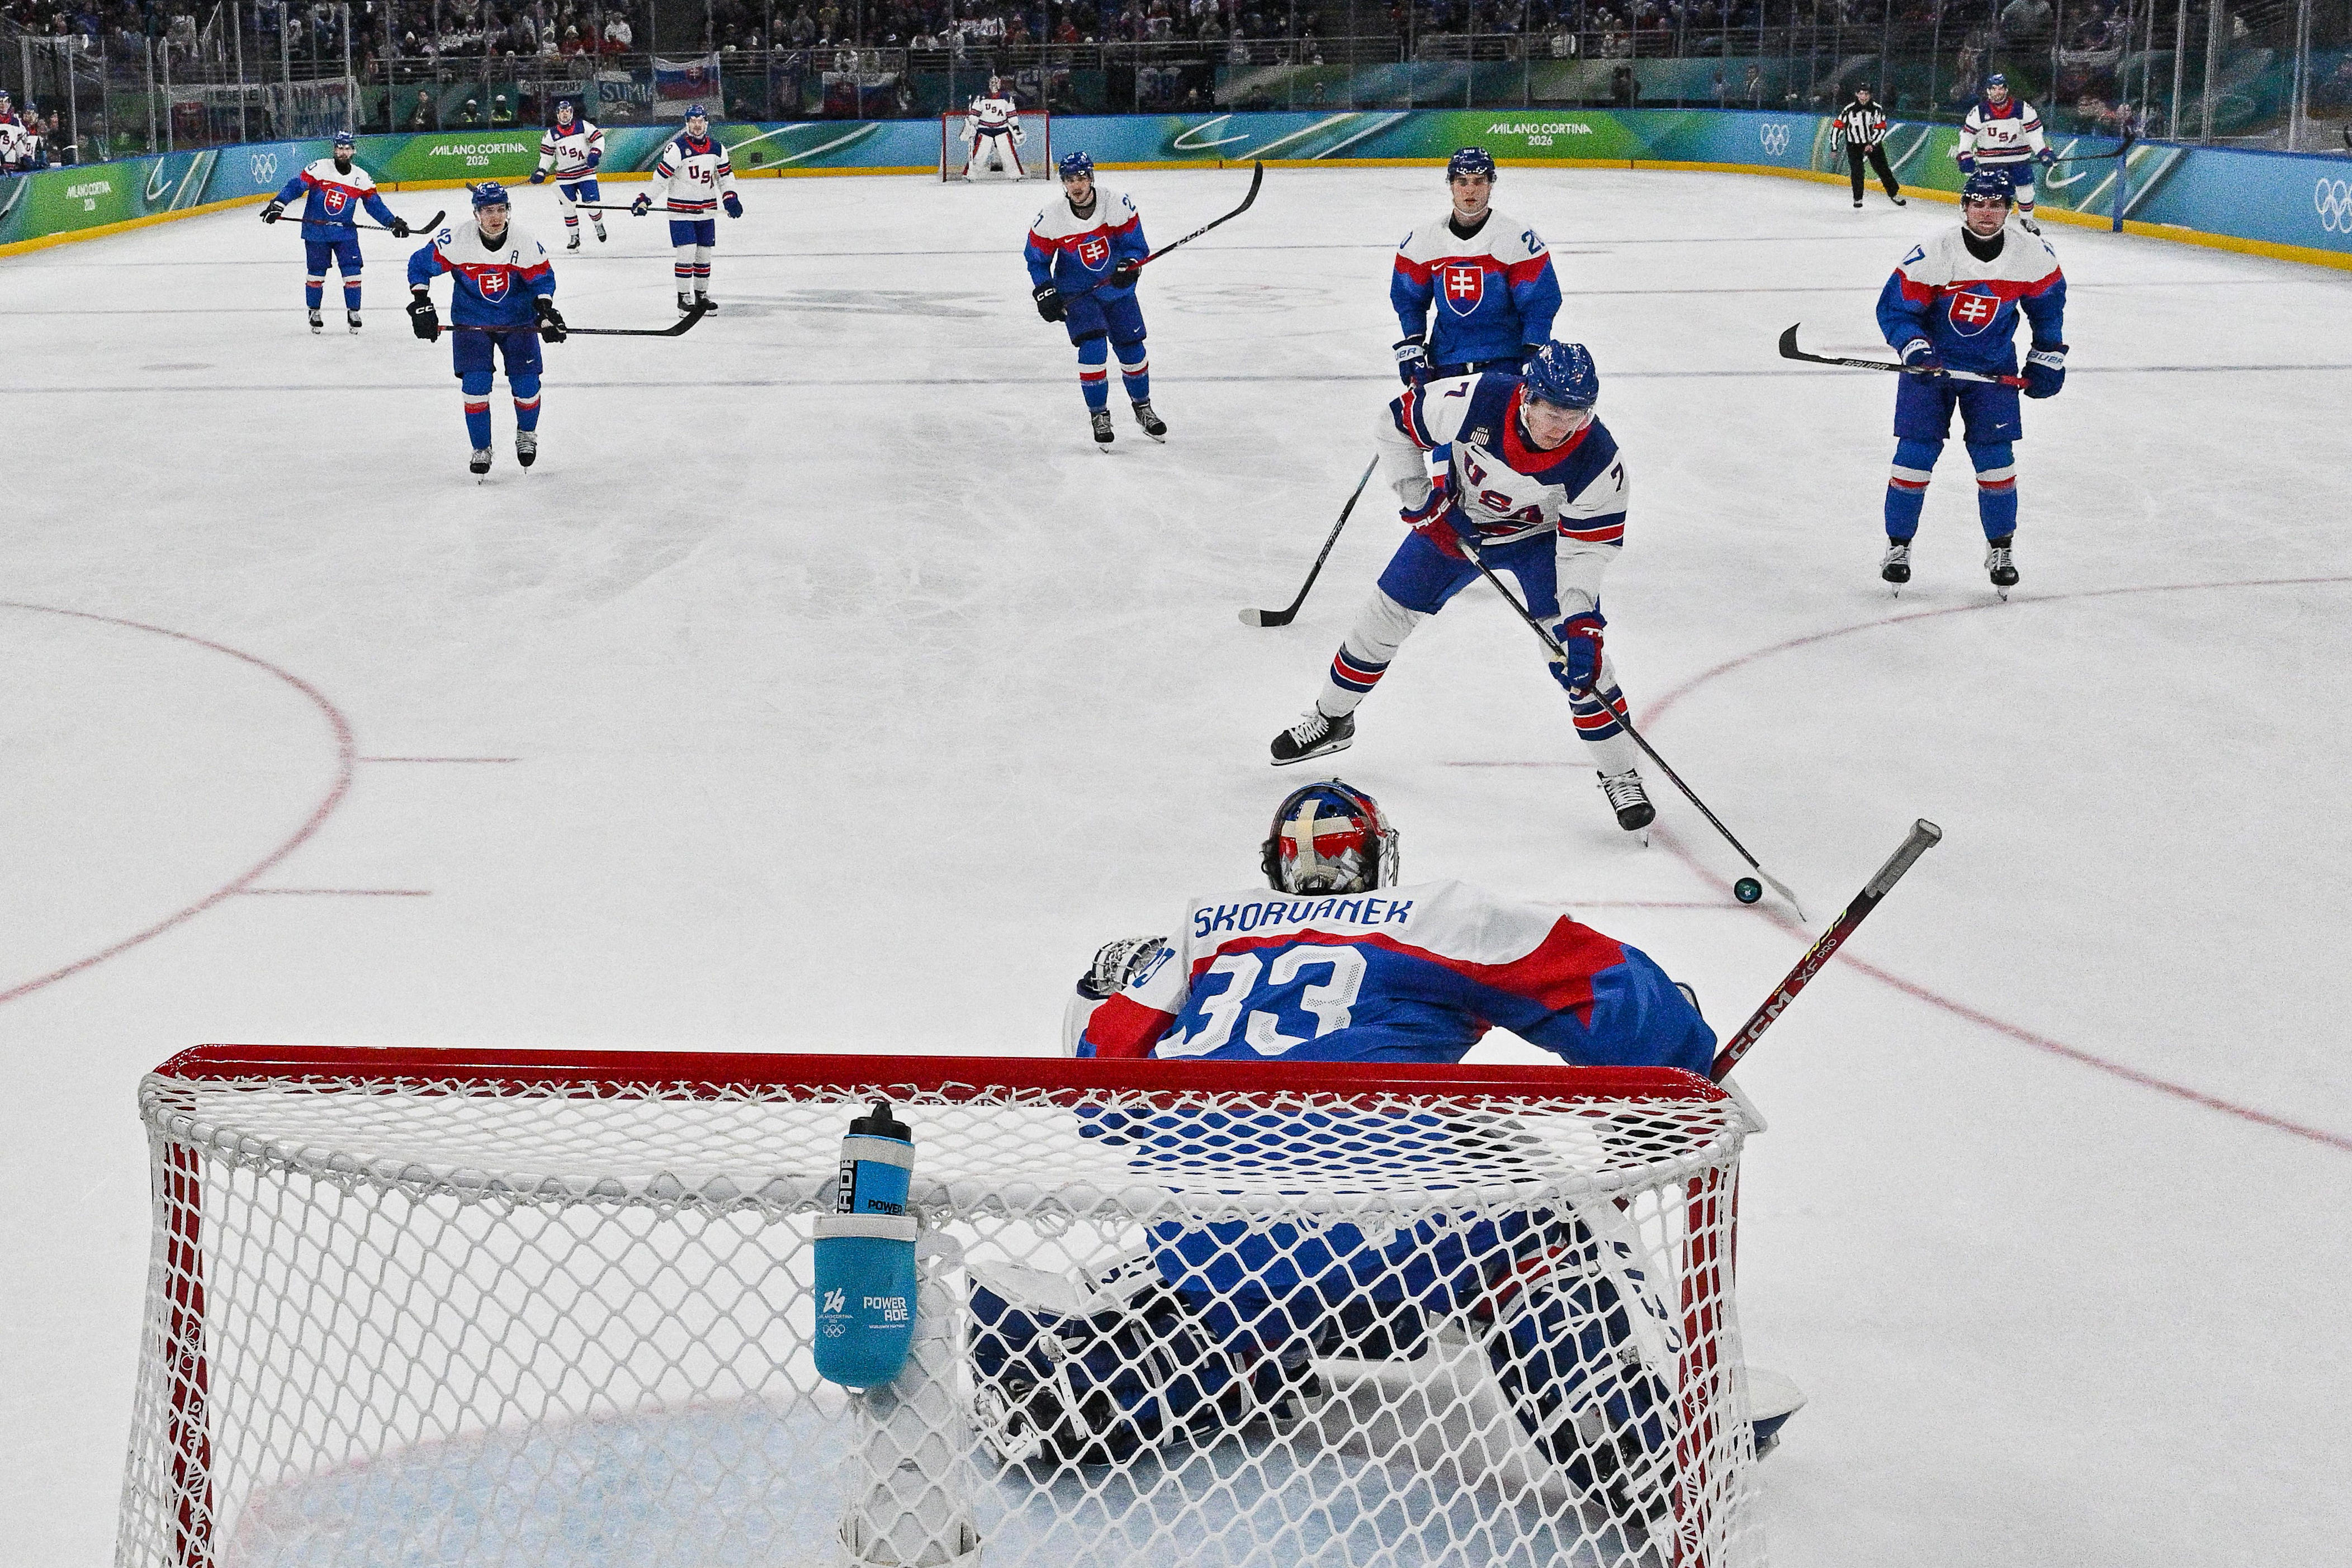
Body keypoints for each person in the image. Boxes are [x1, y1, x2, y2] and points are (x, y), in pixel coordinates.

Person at [983, 780, 1726, 1523]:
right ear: (1375, 856)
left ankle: (1099, 1385)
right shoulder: (1442, 915)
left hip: (1202, 1238)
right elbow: (1612, 997)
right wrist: (1680, 1051)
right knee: (1541, 1222)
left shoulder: (1203, 929)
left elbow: (1099, 1097)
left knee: (1218, 1278)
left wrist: (1099, 987)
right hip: (1385, 1226)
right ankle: (1638, 1439)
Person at [1267, 343, 1656, 835]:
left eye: (1574, 415)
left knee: (1579, 661)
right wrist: (1421, 504)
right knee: (1382, 618)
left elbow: (1584, 551)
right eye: (1552, 412)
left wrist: (1581, 622)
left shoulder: (1598, 460)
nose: (1560, 428)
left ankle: (1621, 774)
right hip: (1457, 524)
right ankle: (1331, 719)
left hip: (1541, 544)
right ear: (1528, 397)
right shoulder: (1476, 398)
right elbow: (1394, 425)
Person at [1876, 169, 2067, 595]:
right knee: (1913, 455)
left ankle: (2001, 549)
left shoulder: (2031, 253)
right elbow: (1896, 310)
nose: (1986, 212)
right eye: (1978, 203)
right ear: (1963, 207)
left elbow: (2047, 309)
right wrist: (1914, 348)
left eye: (1995, 204)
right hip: (1931, 369)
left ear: (2008, 209)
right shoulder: (1935, 251)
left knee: (1995, 459)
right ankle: (1897, 547)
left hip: (1992, 369)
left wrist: (2046, 356)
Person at [405, 181, 565, 478]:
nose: (496, 217)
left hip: (518, 321)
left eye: (501, 209)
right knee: (475, 385)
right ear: (476, 213)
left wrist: (546, 314)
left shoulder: (524, 241)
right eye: (488, 210)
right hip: (471, 322)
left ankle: (526, 434)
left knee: (527, 385)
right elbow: (420, 264)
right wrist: (421, 302)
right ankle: (481, 448)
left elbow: (542, 280)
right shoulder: (457, 240)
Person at [1026, 150, 1165, 448]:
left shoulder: (1116, 204)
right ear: (1063, 183)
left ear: (1091, 178)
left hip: (1116, 290)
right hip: (1078, 294)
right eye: (1069, 179)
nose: (1076, 185)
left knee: (1132, 348)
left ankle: (1143, 408)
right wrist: (1045, 291)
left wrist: (1130, 265)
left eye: (1081, 178)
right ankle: (1099, 415)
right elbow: (1037, 260)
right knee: (1093, 348)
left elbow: (1135, 246)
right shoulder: (1051, 217)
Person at [1390, 148, 1561, 386]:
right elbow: (1409, 299)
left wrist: (1534, 350)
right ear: (1451, 184)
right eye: (1462, 181)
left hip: (1506, 361)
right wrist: (1413, 342)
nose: (1470, 190)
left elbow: (1539, 303)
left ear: (1491, 184)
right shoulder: (1423, 240)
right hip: (1446, 361)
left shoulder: (1517, 238)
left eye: (1479, 181)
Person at [260, 130, 410, 334]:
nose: (343, 152)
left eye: (347, 149)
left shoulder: (361, 177)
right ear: (334, 149)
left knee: (353, 272)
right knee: (316, 273)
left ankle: (353, 312)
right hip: (316, 232)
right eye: (340, 148)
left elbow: (374, 204)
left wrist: (392, 222)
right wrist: (279, 204)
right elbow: (297, 186)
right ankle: (314, 311)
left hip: (344, 233)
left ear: (353, 151)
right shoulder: (320, 168)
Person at [631, 104, 740, 314]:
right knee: (687, 253)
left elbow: (725, 177)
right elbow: (661, 180)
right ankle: (683, 298)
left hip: (706, 211)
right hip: (681, 212)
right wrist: (645, 199)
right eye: (693, 121)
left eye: (701, 121)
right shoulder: (676, 149)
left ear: (706, 123)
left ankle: (702, 295)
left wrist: (731, 198)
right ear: (687, 123)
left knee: (704, 255)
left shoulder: (718, 149)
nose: (697, 125)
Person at [1955, 72, 2055, 232]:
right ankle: (1991, 222)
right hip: (1990, 161)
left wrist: (2042, 151)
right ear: (1988, 91)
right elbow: (1968, 135)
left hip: (2018, 159)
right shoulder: (1979, 112)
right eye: (1994, 89)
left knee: (2026, 191)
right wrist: (1964, 154)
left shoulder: (2022, 108)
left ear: (2006, 90)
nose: (1998, 92)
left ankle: (2027, 220)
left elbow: (2033, 132)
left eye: (2001, 88)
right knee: (1991, 194)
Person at [530, 97, 607, 250]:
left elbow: (598, 139)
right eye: (562, 112)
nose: (565, 114)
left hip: (585, 173)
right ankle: (574, 237)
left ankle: (598, 225)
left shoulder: (583, 126)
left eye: (567, 111)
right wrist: (541, 170)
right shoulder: (551, 134)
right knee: (568, 208)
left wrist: (595, 153)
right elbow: (547, 156)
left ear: (572, 113)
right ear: (557, 115)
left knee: (593, 205)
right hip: (565, 178)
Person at [1833, 84, 1907, 209]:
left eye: (1866, 94)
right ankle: (1858, 198)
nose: (1864, 97)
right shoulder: (1849, 110)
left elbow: (1881, 129)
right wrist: (1834, 147)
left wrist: (1872, 144)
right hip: (1854, 145)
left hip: (1873, 143)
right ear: (1857, 94)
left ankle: (1894, 194)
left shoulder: (1877, 109)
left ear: (1870, 95)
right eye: (1861, 94)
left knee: (1883, 169)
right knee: (1857, 171)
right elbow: (1837, 128)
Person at [959, 74, 1028, 179]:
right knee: (980, 153)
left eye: (996, 83)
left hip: (1002, 128)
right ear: (989, 85)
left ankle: (1015, 173)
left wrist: (1015, 127)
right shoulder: (981, 97)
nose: (994, 85)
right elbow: (975, 114)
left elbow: (1012, 114)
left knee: (1008, 152)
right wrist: (972, 123)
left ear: (1000, 85)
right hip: (984, 129)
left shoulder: (1007, 98)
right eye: (992, 83)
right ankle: (972, 173)